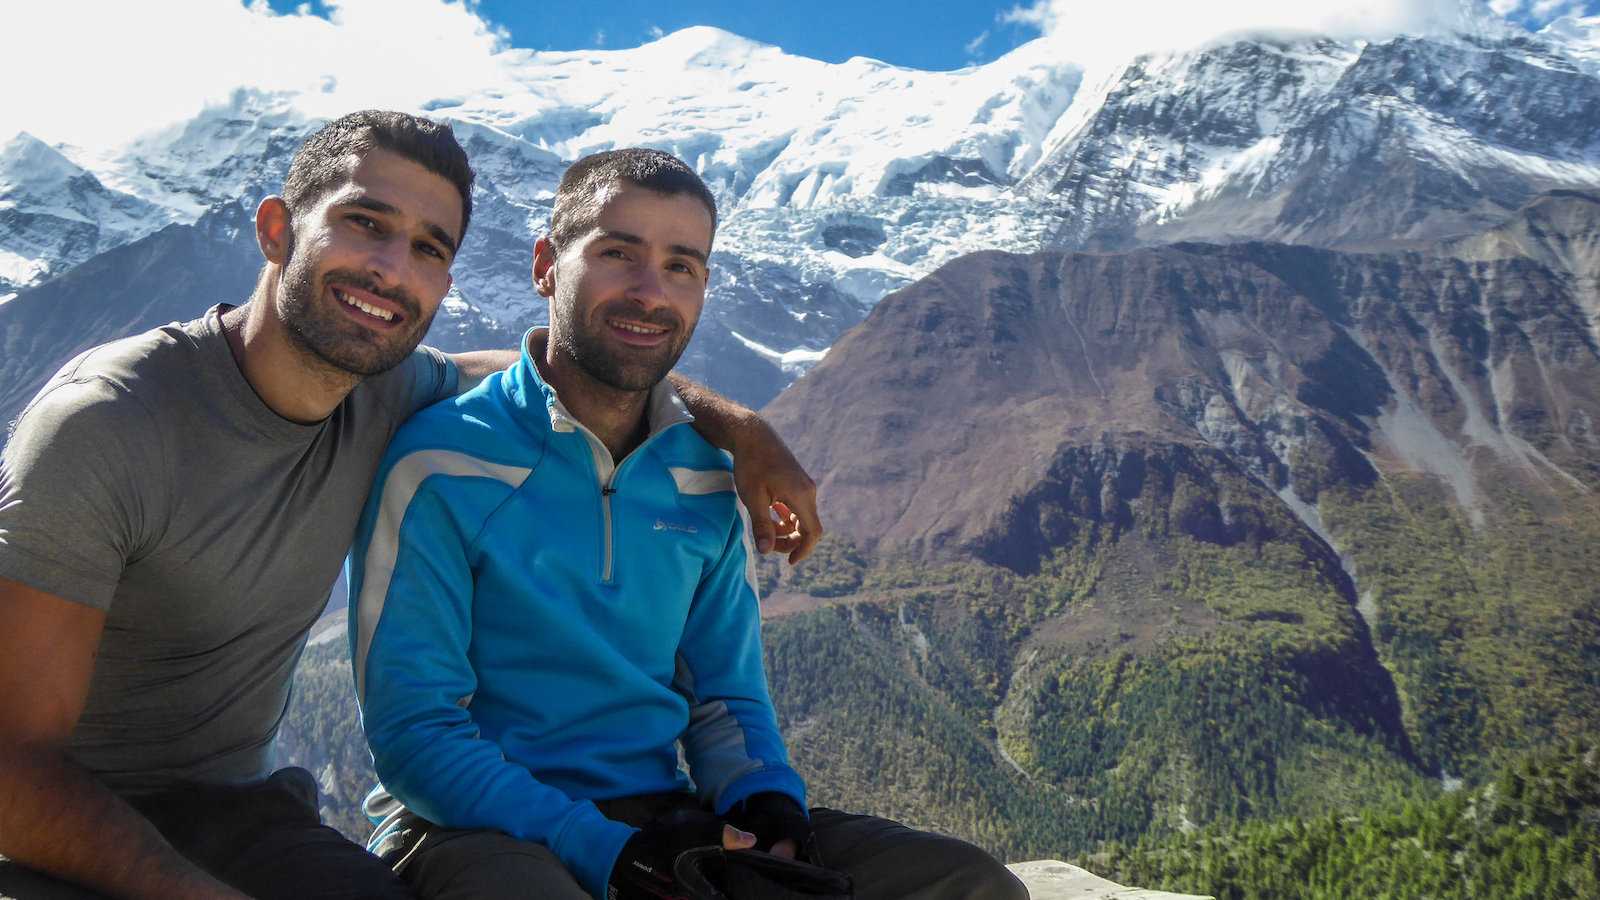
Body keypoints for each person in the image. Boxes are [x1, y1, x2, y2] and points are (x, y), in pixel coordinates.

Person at [0, 112, 820, 900]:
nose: (393, 271)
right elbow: (10, 766)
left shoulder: (384, 386)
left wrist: (745, 431)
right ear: (277, 229)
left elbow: (578, 369)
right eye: (365, 223)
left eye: (428, 248)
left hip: (236, 810)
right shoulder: (107, 423)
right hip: (51, 818)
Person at [349, 148, 1026, 900]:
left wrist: (768, 803)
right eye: (617, 254)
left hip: (663, 817)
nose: (650, 293)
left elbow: (724, 698)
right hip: (467, 827)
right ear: (546, 265)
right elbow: (417, 736)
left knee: (968, 885)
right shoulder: (443, 461)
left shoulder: (704, 475)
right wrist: (606, 850)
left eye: (682, 266)